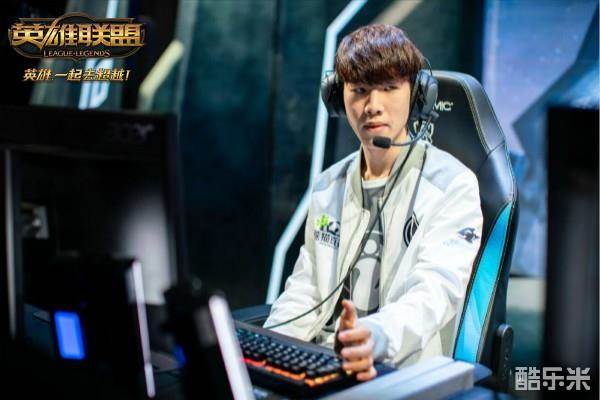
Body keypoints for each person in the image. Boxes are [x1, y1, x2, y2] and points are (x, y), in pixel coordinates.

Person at [264, 24, 483, 381]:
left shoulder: (452, 186)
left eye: (389, 88)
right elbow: (306, 290)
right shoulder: (328, 186)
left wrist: (375, 337)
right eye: (360, 90)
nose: (373, 106)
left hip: (399, 369)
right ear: (338, 97)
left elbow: (434, 293)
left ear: (417, 94)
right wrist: (266, 350)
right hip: (325, 365)